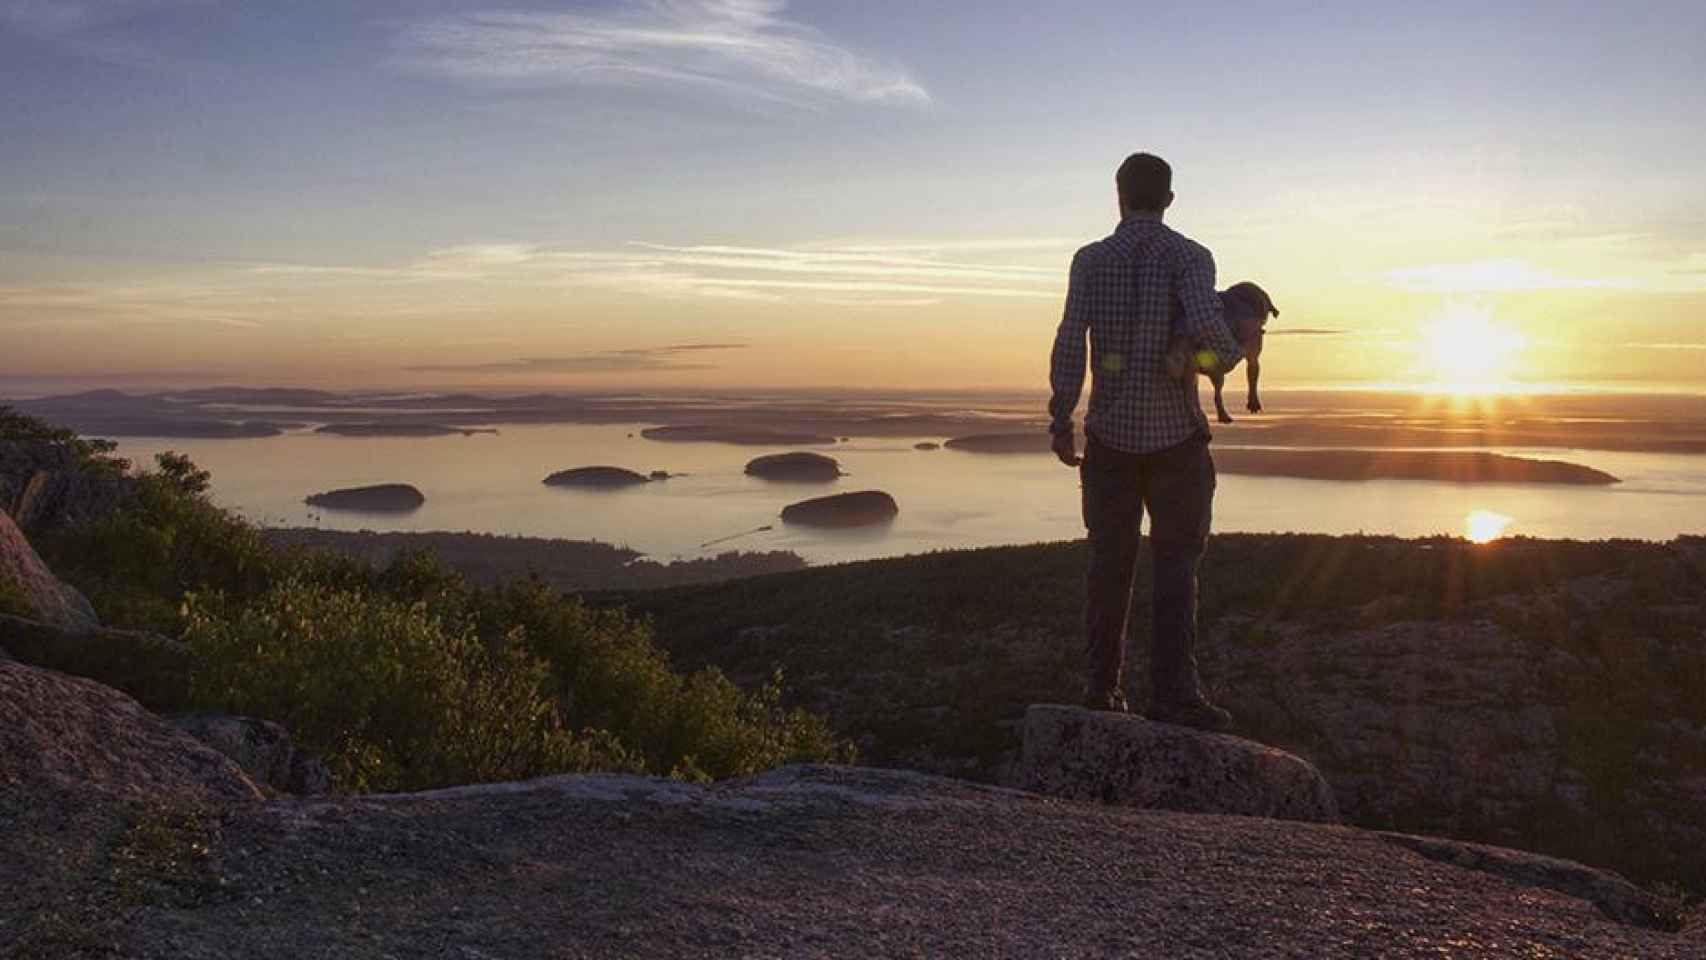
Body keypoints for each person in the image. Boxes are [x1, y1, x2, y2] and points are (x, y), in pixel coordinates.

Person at [1046, 151, 1243, 730]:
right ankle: (1175, 696)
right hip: (1178, 442)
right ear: (1170, 199)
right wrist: (1216, 355)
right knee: (1177, 567)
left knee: (1109, 565)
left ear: (1118, 194)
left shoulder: (1089, 260)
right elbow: (1217, 343)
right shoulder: (1191, 256)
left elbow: (1067, 343)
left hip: (1108, 439)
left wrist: (1062, 419)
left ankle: (1102, 690)